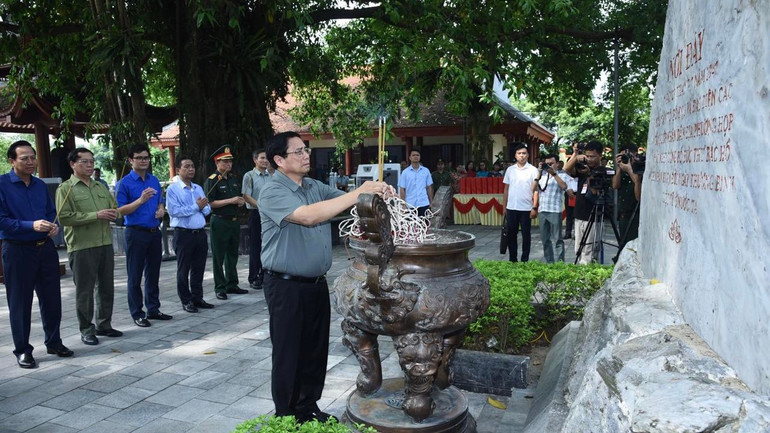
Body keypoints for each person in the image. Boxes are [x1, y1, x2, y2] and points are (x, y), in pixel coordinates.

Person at [258, 131, 386, 423]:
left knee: (315, 350)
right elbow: (308, 216)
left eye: (306, 150)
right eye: (298, 152)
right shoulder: (272, 191)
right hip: (285, 286)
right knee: (289, 351)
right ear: (279, 160)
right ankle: (286, 416)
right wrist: (359, 192)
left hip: (315, 283)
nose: (306, 155)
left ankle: (308, 407)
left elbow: (348, 202)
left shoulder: (312, 185)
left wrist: (372, 194)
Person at [0, 140, 73, 368]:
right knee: (20, 302)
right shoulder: (2, 184)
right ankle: (23, 350)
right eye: (24, 158)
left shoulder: (40, 185)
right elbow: (2, 220)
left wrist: (53, 226)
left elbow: (50, 212)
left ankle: (54, 341)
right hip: (17, 249)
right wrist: (30, 225)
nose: (31, 162)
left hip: (45, 248)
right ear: (12, 161)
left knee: (52, 298)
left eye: (33, 157)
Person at [56, 147, 122, 346]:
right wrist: (96, 215)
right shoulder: (66, 189)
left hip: (105, 243)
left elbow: (114, 208)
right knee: (84, 291)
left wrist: (113, 213)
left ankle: (104, 324)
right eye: (84, 161)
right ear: (72, 164)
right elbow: (64, 218)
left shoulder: (100, 186)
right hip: (82, 246)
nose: (89, 165)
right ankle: (86, 329)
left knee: (106, 287)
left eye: (92, 161)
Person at [116, 143, 172, 327]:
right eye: (139, 158)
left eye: (146, 157)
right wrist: (140, 200)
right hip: (135, 233)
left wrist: (161, 210)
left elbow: (160, 201)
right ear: (130, 160)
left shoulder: (153, 180)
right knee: (135, 275)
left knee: (153, 273)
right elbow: (120, 211)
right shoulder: (124, 183)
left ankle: (153, 309)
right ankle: (137, 313)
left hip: (154, 232)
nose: (143, 161)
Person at [166, 156, 215, 313]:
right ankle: (186, 300)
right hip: (183, 234)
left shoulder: (198, 188)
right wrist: (196, 207)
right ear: (178, 170)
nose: (191, 169)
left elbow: (207, 208)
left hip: (200, 233)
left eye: (192, 166)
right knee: (183, 269)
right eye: (186, 166)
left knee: (199, 268)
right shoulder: (173, 189)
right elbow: (174, 211)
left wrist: (202, 207)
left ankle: (197, 297)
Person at [204, 145, 247, 300]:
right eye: (225, 161)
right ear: (217, 162)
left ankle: (232, 283)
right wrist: (231, 200)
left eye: (230, 161)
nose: (229, 164)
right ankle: (220, 287)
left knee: (232, 254)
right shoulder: (212, 180)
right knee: (218, 256)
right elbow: (211, 203)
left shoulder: (233, 178)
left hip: (234, 221)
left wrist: (240, 202)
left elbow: (237, 197)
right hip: (220, 221)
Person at [564, 141, 604, 264]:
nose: (589, 159)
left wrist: (589, 174)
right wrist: (576, 156)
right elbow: (566, 169)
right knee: (578, 249)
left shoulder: (603, 170)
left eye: (592, 156)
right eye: (587, 156)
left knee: (589, 251)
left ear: (600, 156)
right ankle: (580, 270)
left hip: (593, 216)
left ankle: (587, 273)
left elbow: (595, 192)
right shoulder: (583, 167)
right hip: (579, 214)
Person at [502, 143, 539, 263]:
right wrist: (504, 207)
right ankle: (513, 259)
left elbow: (536, 190)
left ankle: (525, 259)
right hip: (512, 207)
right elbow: (506, 189)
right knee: (511, 234)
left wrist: (534, 207)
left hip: (526, 208)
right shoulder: (510, 170)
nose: (521, 155)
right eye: (519, 153)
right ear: (515, 155)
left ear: (528, 155)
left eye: (524, 153)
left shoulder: (533, 170)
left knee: (526, 235)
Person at [242, 149, 272, 290]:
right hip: (256, 214)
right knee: (256, 246)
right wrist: (261, 207)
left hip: (270, 215)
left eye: (266, 158)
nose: (265, 161)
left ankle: (266, 275)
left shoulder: (272, 176)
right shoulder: (249, 175)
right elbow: (246, 196)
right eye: (262, 158)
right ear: (255, 160)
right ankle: (254, 277)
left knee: (269, 245)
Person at [533, 154, 569, 263]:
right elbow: (533, 188)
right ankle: (549, 262)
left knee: (558, 239)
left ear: (557, 164)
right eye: (547, 164)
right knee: (545, 239)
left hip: (555, 210)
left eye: (551, 163)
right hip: (542, 210)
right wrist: (539, 172)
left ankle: (560, 263)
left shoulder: (562, 175)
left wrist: (553, 174)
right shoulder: (542, 176)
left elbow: (564, 186)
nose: (549, 166)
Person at [612, 144, 642, 246]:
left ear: (635, 155)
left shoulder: (639, 170)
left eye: (628, 156)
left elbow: (639, 196)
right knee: (623, 246)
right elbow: (615, 185)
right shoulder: (622, 170)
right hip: (623, 216)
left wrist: (630, 170)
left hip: (635, 216)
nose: (626, 159)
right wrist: (619, 167)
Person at [398, 149, 434, 216]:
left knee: (424, 222)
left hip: (423, 203)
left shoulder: (426, 171)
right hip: (410, 204)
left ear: (420, 157)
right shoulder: (405, 172)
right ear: (410, 157)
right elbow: (402, 189)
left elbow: (429, 187)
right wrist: (403, 204)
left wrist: (431, 202)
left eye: (417, 155)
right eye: (413, 155)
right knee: (411, 222)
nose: (415, 157)